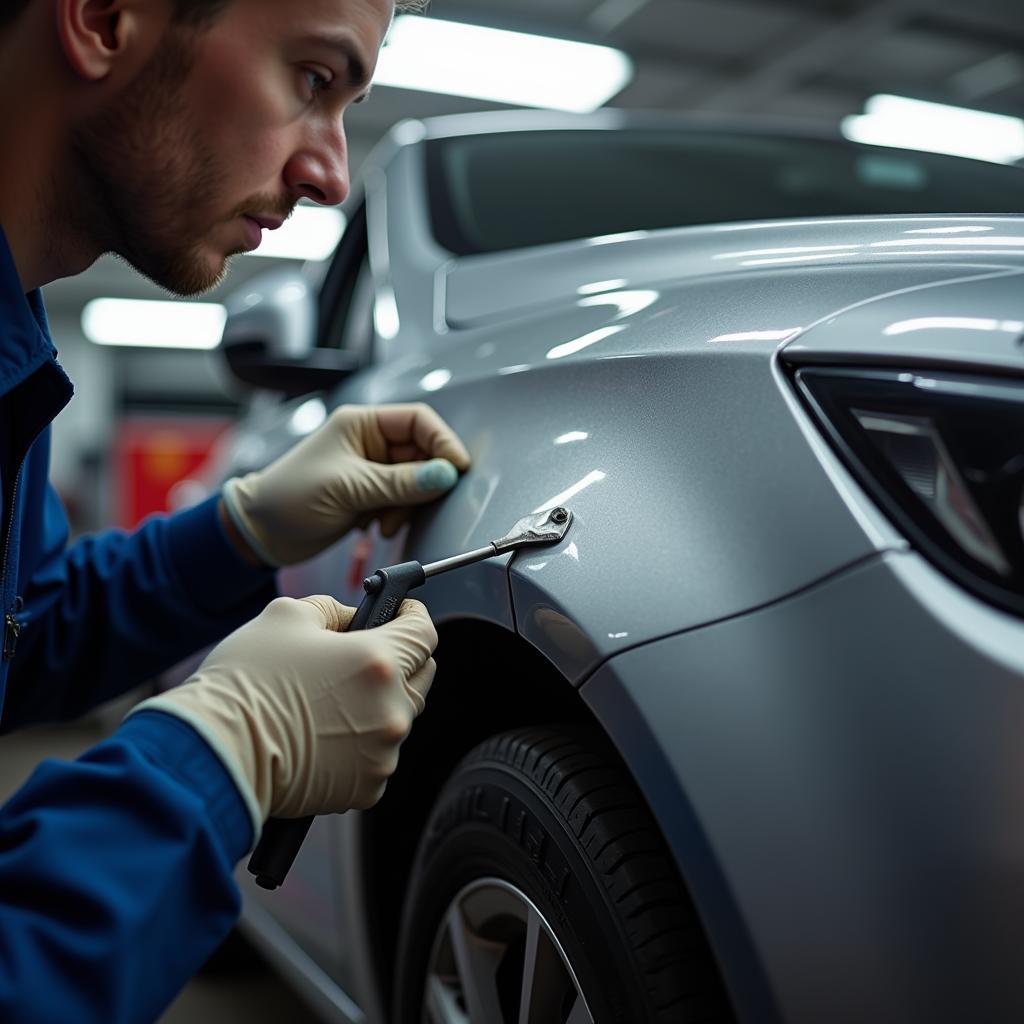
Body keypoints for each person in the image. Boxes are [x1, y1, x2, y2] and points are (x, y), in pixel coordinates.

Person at [0, 0, 466, 1020]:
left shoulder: (16, 334)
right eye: (311, 80)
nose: (332, 174)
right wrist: (220, 753)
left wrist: (240, 532)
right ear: (109, 17)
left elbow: (15, 634)